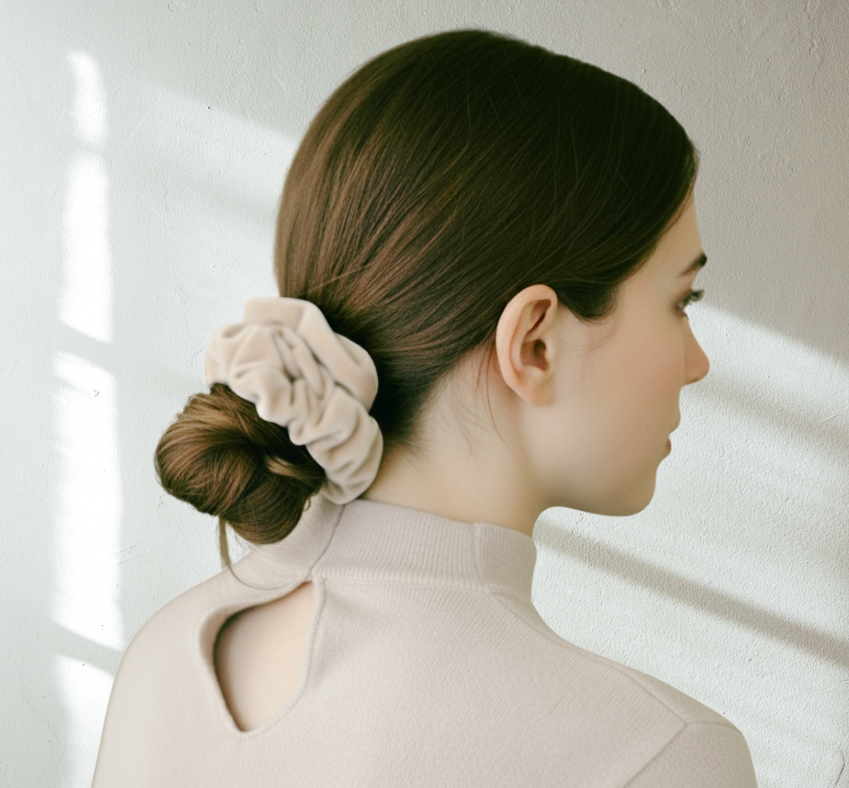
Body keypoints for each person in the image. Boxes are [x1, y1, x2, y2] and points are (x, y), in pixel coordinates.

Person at [92, 29, 757, 787]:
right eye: (681, 300)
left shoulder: (161, 658)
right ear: (536, 342)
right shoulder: (656, 754)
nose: (697, 363)